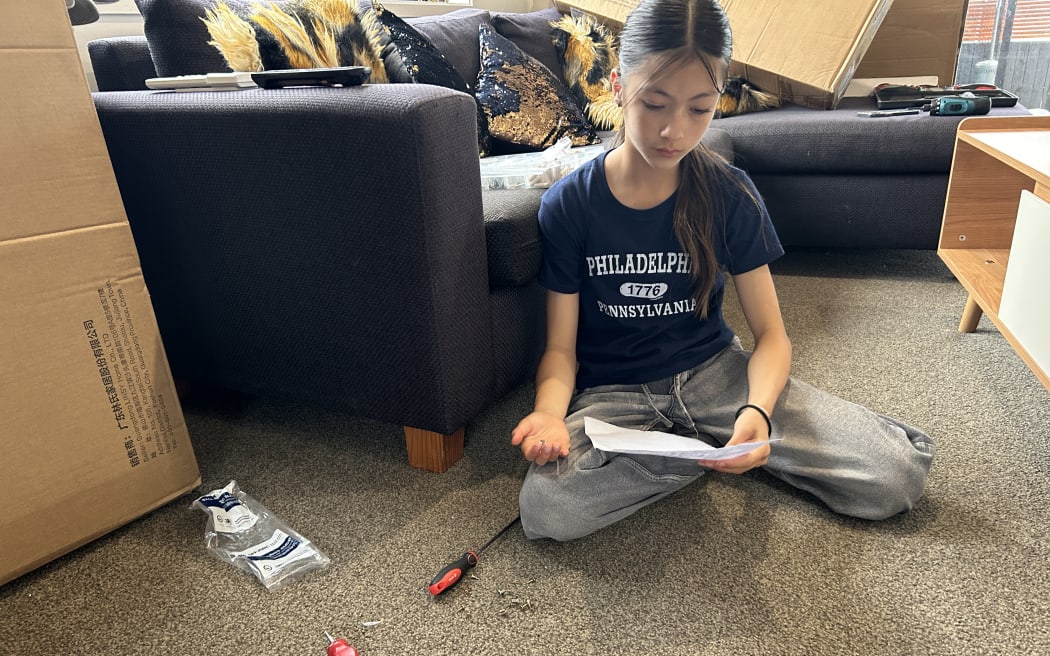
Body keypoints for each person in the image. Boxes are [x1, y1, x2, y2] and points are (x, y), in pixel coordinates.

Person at [510, 0, 935, 541]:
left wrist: (758, 411)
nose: (674, 130)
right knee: (548, 509)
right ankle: (702, 450)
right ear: (617, 86)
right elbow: (560, 349)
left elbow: (772, 337)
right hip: (612, 391)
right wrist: (549, 412)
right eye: (655, 103)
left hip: (715, 374)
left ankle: (703, 442)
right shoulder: (571, 204)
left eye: (699, 109)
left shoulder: (729, 192)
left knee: (895, 476)